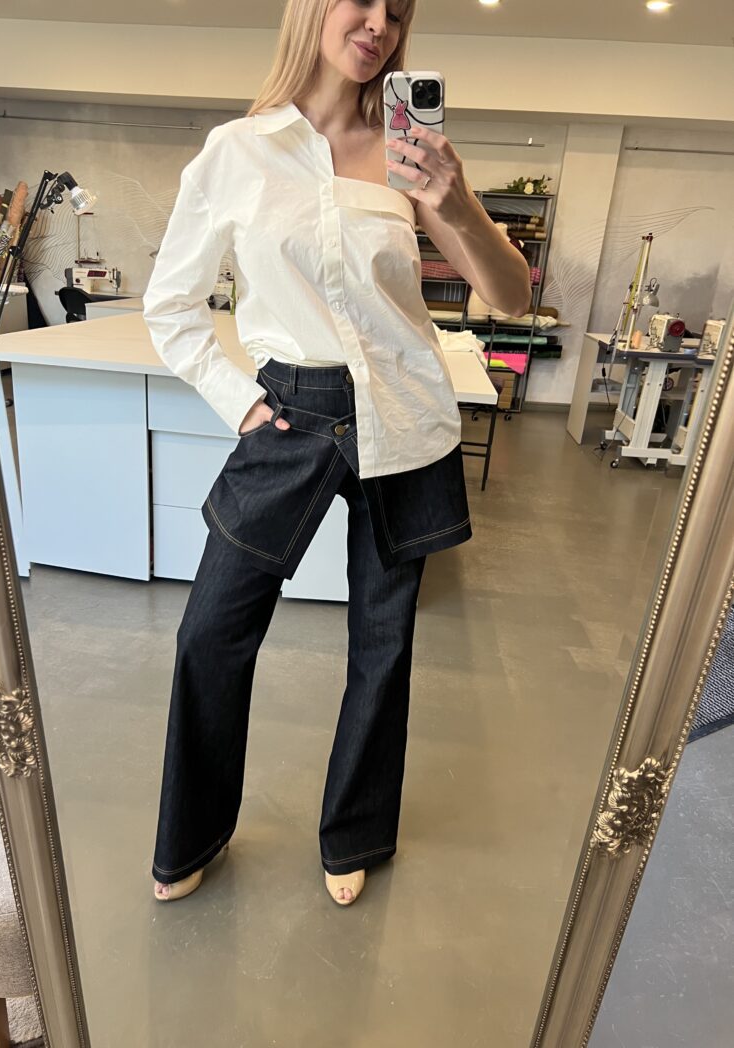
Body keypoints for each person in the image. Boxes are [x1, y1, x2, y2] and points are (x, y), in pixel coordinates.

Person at [142, 0, 532, 907]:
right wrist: (242, 404)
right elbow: (172, 305)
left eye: (397, 12)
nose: (378, 25)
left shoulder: (409, 153)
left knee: (383, 641)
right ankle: (192, 833)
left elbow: (512, 296)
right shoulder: (239, 152)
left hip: (405, 413)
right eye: (363, 1)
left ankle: (354, 833)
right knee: (211, 632)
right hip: (289, 412)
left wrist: (452, 200)